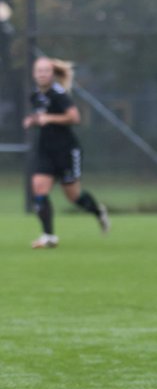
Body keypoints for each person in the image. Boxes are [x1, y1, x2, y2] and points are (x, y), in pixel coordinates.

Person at [24, 56, 109, 249]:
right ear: (34, 74)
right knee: (38, 188)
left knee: (73, 197)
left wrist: (49, 118)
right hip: (46, 151)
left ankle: (98, 211)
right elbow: (40, 116)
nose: (42, 74)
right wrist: (32, 120)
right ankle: (49, 236)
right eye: (39, 71)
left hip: (66, 152)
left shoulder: (59, 94)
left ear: (52, 74)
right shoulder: (35, 95)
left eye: (46, 71)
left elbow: (74, 117)